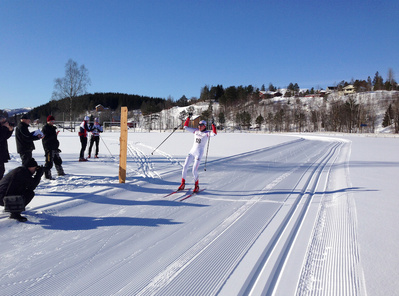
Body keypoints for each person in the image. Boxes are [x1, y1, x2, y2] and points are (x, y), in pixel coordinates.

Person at [178, 116, 217, 193]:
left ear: (204, 126)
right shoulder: (196, 131)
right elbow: (185, 127)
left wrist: (213, 125)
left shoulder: (207, 133)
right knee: (185, 167)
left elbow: (215, 133)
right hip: (192, 152)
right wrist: (188, 118)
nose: (199, 127)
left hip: (199, 153)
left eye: (201, 126)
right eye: (198, 125)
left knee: (194, 170)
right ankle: (182, 184)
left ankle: (196, 186)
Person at [0, 158, 43, 222]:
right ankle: (15, 213)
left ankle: (14, 208)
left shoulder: (21, 171)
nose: (35, 170)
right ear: (30, 167)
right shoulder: (23, 173)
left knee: (24, 191)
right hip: (4, 197)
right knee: (29, 193)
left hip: (4, 195)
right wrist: (38, 175)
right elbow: (32, 186)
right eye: (35, 168)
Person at [0, 114, 14, 179]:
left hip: (2, 152)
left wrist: (10, 130)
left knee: (2, 170)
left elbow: (5, 137)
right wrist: (5, 127)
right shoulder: (2, 128)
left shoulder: (2, 128)